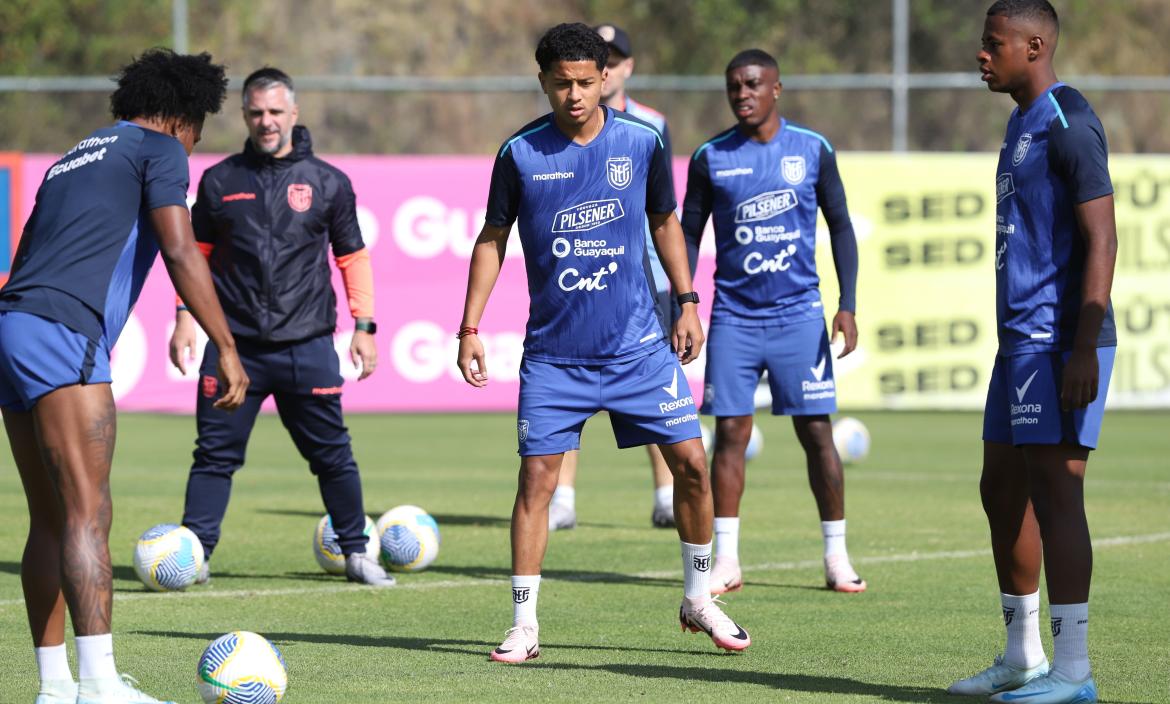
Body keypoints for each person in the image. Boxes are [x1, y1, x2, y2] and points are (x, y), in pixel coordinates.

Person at [456, 22, 750, 663]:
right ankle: (525, 625)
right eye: (562, 84)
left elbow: (665, 223)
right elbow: (492, 238)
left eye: (587, 82)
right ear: (543, 82)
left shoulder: (642, 142)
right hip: (555, 358)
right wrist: (470, 326)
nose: (576, 95)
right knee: (536, 482)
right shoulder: (519, 153)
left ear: (605, 77)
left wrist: (688, 302)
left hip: (640, 348)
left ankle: (699, 597)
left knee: (693, 468)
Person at [0, 49, 247, 704]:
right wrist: (225, 343)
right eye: (197, 132)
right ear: (181, 118)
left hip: (14, 326)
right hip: (63, 332)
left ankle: (56, 689)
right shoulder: (160, 148)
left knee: (50, 518)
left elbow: (28, 255)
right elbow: (179, 249)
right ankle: (100, 686)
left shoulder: (70, 158)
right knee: (88, 512)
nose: (192, 149)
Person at [948, 2, 1116, 702]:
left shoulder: (1068, 120)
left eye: (994, 45)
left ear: (1035, 44)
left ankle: (1073, 670)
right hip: (1018, 344)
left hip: (1059, 343)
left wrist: (1082, 345)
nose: (981, 56)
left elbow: (1103, 238)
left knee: (1056, 494)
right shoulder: (1019, 123)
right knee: (1001, 490)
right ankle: (1022, 656)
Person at [170, 67, 394, 588]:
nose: (266, 121)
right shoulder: (221, 180)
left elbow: (352, 257)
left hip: (307, 345)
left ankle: (357, 553)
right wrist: (184, 317)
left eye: (275, 112)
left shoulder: (328, 182)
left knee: (332, 454)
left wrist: (365, 325)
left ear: (293, 113)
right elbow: (193, 257)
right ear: (244, 115)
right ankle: (194, 556)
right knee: (214, 456)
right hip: (234, 350)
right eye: (256, 112)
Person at [681, 49, 865, 596]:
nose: (743, 94)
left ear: (776, 89)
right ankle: (727, 560)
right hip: (734, 317)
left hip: (798, 316)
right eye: (734, 86)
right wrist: (685, 302)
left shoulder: (812, 149)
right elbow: (688, 233)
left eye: (754, 84)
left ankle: (836, 554)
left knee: (816, 433)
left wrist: (847, 303)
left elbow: (841, 227)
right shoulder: (711, 156)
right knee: (731, 434)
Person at [548, 22, 679, 531]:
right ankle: (562, 497)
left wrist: (679, 289)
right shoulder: (562, 122)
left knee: (653, 389)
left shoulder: (650, 125)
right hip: (582, 279)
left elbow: (664, 210)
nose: (609, 68)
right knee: (566, 386)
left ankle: (666, 492)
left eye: (616, 59)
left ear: (621, 69)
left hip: (646, 280)